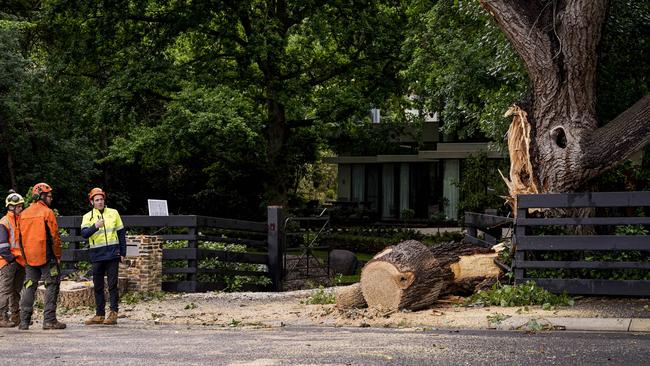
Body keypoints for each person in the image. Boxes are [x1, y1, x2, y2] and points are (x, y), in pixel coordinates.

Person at [19, 182, 66, 330]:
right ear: (42, 196)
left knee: (29, 286)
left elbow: (19, 238)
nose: (51, 199)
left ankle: (24, 321)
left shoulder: (23, 214)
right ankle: (49, 320)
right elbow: (55, 237)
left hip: (29, 257)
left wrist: (24, 256)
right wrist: (57, 255)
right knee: (52, 284)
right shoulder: (47, 212)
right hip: (47, 257)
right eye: (49, 196)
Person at [81, 188, 126, 325]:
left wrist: (123, 253)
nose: (100, 202)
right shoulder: (87, 217)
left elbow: (121, 234)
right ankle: (99, 314)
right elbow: (84, 234)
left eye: (101, 199)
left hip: (112, 254)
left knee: (113, 285)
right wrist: (95, 226)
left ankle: (113, 313)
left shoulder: (114, 213)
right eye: (97, 200)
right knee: (98, 286)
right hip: (97, 255)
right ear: (92, 202)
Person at [0, 191, 26, 327]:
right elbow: (3, 246)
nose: (21, 208)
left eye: (21, 206)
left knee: (16, 290)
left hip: (19, 260)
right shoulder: (4, 222)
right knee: (5, 290)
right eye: (19, 206)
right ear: (11, 207)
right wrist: (11, 259)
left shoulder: (21, 220)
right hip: (8, 261)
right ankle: (1, 317)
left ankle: (16, 316)